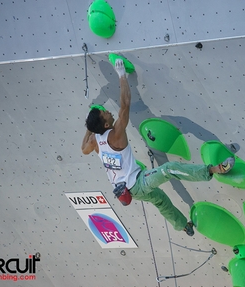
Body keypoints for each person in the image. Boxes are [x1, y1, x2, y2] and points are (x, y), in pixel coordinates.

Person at [81, 58, 235, 236]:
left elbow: (83, 149)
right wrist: (122, 75)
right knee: (168, 169)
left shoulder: (94, 140)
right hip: (138, 183)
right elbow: (125, 105)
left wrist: (88, 127)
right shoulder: (115, 135)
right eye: (104, 113)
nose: (108, 111)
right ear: (106, 125)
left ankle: (183, 226)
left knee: (161, 201)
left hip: (127, 190)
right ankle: (214, 170)